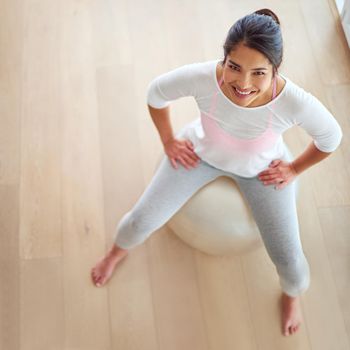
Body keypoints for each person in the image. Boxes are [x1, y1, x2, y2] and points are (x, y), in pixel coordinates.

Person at [91, 8, 343, 337]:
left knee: (290, 260)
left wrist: (294, 168)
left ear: (276, 70)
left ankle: (292, 296)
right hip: (201, 155)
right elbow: (156, 93)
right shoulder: (203, 78)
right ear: (223, 58)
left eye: (258, 73)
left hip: (261, 173)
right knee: (140, 221)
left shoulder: (293, 100)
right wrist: (168, 140)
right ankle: (115, 253)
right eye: (234, 67)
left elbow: (331, 138)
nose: (243, 83)